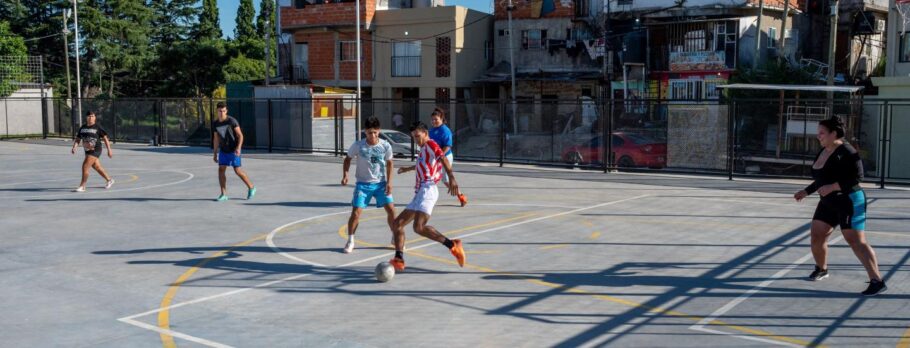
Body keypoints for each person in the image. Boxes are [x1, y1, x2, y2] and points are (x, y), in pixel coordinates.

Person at [794, 116, 886, 296]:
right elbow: (822, 179)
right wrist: (806, 191)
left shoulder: (847, 151)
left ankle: (877, 280)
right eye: (818, 133)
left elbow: (857, 177)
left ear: (833, 133)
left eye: (822, 133)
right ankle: (822, 269)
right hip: (828, 202)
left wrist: (833, 187)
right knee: (817, 234)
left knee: (855, 241)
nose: (818, 136)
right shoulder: (823, 150)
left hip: (849, 200)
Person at [387, 121, 465, 271]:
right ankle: (399, 259)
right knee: (397, 224)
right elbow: (423, 165)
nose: (416, 140)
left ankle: (453, 245)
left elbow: (442, 158)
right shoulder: (423, 150)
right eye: (414, 137)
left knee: (419, 227)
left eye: (418, 136)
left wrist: (452, 177)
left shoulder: (430, 144)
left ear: (426, 133)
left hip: (428, 189)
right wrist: (408, 168)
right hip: (420, 192)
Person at [341, 117, 397, 253]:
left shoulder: (385, 145)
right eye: (369, 133)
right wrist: (345, 175)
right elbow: (347, 159)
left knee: (392, 211)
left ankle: (395, 237)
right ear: (365, 132)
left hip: (380, 184)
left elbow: (390, 163)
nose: (372, 135)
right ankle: (350, 240)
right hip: (363, 185)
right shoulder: (358, 146)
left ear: (379, 131)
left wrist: (389, 182)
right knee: (356, 213)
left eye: (375, 132)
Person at [212, 102, 256, 201]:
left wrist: (239, 148)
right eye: (220, 111)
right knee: (221, 169)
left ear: (226, 111)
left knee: (238, 171)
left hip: (234, 150)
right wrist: (215, 153)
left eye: (224, 111)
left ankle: (251, 187)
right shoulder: (215, 123)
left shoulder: (232, 121)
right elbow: (216, 139)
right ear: (217, 111)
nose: (222, 113)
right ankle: (223, 194)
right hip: (223, 150)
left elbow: (240, 135)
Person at [428, 107, 468, 207]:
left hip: (445, 157)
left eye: (436, 119)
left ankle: (461, 196)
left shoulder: (445, 130)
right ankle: (428, 197)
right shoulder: (432, 130)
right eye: (432, 120)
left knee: (445, 179)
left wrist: (440, 155)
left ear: (441, 119)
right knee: (430, 177)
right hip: (436, 157)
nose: (434, 121)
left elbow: (448, 145)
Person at [71, 111, 114, 192]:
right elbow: (78, 139)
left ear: (95, 117)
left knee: (85, 166)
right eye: (89, 116)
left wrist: (109, 150)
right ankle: (109, 180)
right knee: (97, 167)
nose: (90, 117)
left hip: (96, 150)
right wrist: (74, 147)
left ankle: (82, 186)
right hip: (87, 150)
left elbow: (105, 139)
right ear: (86, 117)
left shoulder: (97, 127)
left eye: (92, 116)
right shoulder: (83, 128)